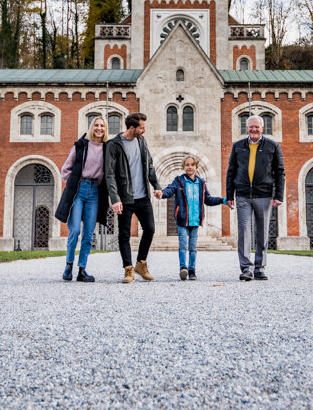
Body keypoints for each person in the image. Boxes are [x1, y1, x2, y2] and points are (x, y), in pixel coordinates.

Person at [104, 112, 163, 283]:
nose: (144, 131)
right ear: (132, 128)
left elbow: (149, 165)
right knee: (124, 234)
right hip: (125, 198)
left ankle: (141, 263)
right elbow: (109, 175)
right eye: (142, 128)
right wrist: (115, 198)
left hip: (143, 196)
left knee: (150, 229)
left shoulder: (141, 141)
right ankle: (128, 269)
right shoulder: (113, 145)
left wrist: (156, 186)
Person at [225, 115, 284, 281]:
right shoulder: (238, 147)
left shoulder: (272, 146)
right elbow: (231, 172)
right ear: (247, 128)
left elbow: (280, 172)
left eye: (257, 127)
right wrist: (230, 195)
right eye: (251, 127)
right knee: (244, 230)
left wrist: (278, 195)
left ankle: (260, 268)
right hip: (243, 194)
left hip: (264, 195)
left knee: (262, 231)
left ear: (262, 128)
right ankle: (246, 268)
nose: (254, 129)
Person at [54, 115, 109, 283]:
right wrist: (73, 184)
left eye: (102, 126)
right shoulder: (80, 145)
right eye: (96, 125)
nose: (99, 128)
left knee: (88, 234)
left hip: (95, 192)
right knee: (75, 230)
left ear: (105, 129)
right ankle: (68, 265)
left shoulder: (107, 148)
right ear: (92, 127)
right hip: (79, 189)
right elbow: (65, 169)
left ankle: (82, 270)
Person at [160, 155, 225, 281]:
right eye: (187, 165)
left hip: (195, 220)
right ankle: (183, 268)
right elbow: (170, 190)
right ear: (183, 167)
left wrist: (223, 200)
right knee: (183, 245)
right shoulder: (178, 181)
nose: (190, 167)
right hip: (182, 220)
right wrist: (162, 194)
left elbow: (208, 199)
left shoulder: (201, 183)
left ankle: (192, 270)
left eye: (192, 165)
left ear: (196, 167)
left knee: (193, 247)